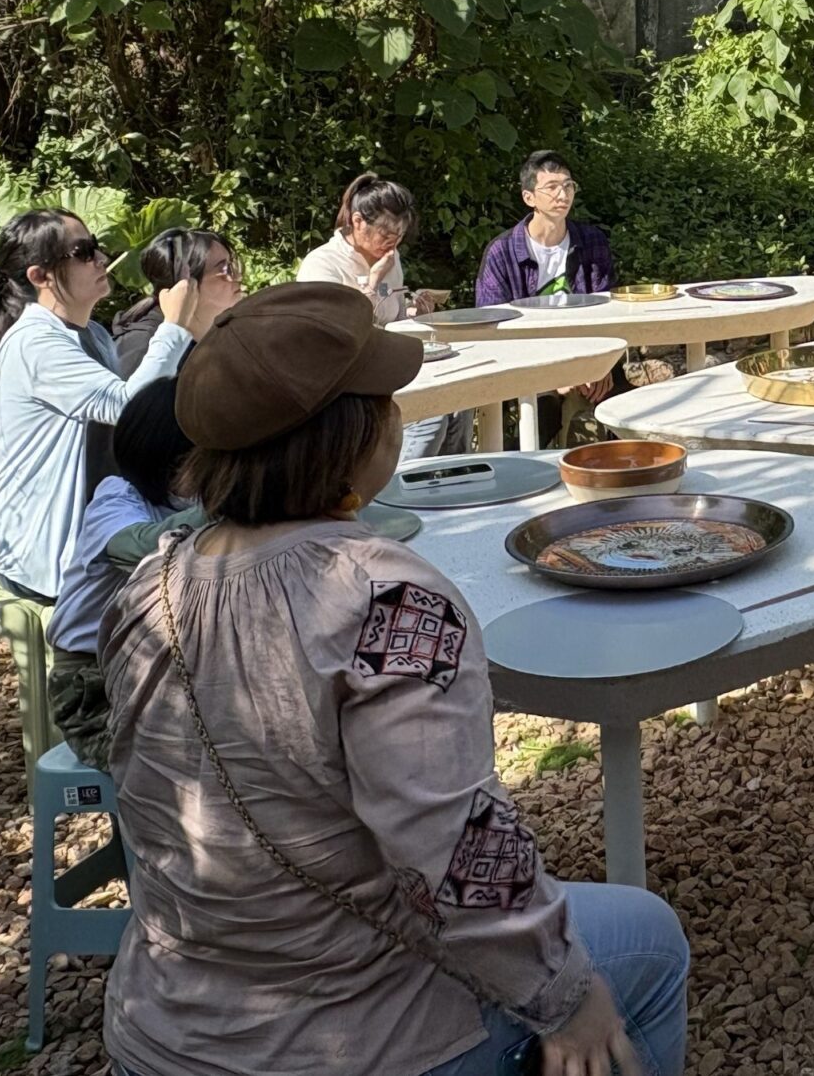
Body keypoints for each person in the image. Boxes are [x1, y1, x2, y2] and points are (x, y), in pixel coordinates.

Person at [98, 283, 689, 1076]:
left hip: (162, 1021)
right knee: (648, 940)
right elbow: (455, 853)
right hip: (351, 1031)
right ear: (353, 434)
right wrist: (568, 996)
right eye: (384, 400)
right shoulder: (382, 595)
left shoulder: (151, 585)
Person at [0, 210, 201, 603]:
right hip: (41, 558)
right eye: (83, 251)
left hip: (90, 530)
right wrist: (175, 325)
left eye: (96, 246)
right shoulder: (34, 343)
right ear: (40, 277)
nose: (101, 257)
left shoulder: (91, 333)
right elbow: (128, 408)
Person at [45, 378, 194, 770]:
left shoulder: (190, 501)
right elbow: (137, 547)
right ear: (169, 458)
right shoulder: (117, 496)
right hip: (91, 686)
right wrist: (233, 500)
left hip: (158, 670)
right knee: (186, 766)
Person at [296, 172, 465, 463]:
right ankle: (400, 487)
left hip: (386, 364)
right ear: (358, 221)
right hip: (344, 380)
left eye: (399, 236)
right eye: (386, 234)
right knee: (429, 415)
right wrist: (372, 283)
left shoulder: (392, 256)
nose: (392, 243)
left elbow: (393, 323)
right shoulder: (322, 265)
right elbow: (334, 337)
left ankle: (452, 487)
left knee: (460, 402)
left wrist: (415, 315)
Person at [473, 150, 626, 446]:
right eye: (552, 187)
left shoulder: (591, 241)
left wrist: (600, 363)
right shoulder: (502, 252)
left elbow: (609, 313)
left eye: (568, 186)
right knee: (539, 418)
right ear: (529, 197)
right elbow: (491, 330)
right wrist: (552, 374)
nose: (562, 194)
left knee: (631, 410)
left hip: (590, 356)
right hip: (530, 363)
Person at [113, 227, 244, 373]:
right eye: (225, 269)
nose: (238, 276)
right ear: (186, 283)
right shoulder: (142, 349)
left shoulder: (220, 334)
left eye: (233, 264)